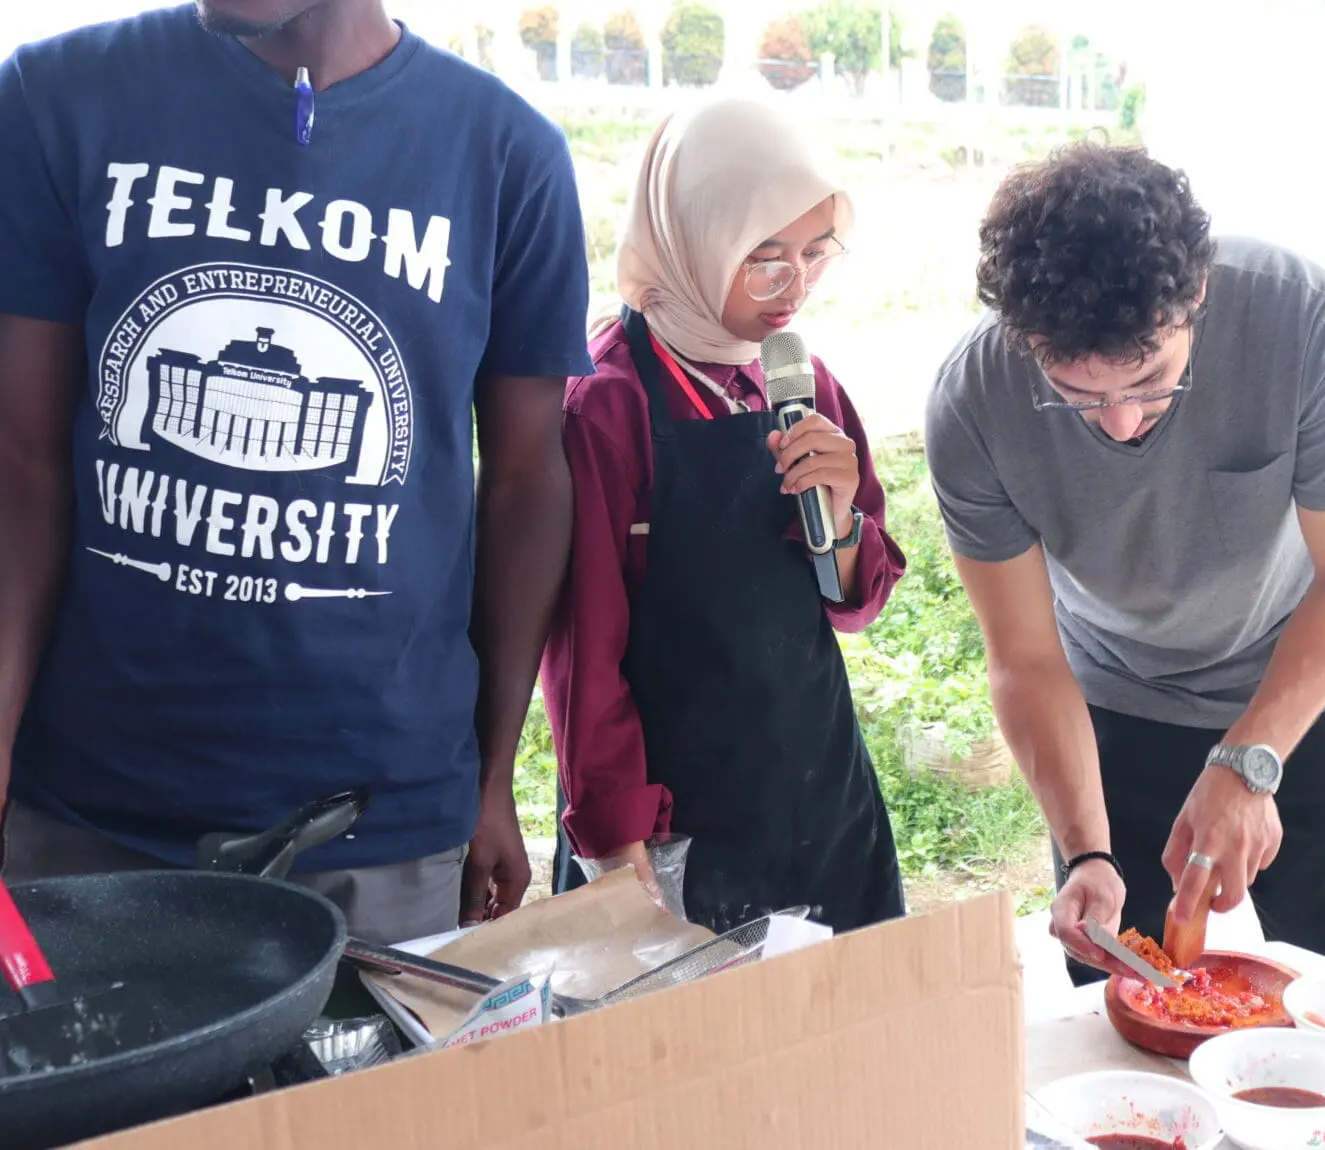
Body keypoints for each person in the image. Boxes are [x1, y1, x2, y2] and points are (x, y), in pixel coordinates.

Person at [0, 0, 592, 944]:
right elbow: (21, 468)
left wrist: (489, 779)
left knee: (357, 1097)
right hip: (82, 818)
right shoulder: (56, 98)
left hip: (378, 828)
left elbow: (525, 480)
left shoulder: (503, 155)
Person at [923, 141, 1325, 983]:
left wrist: (1250, 761)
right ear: (1027, 339)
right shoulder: (974, 400)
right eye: (1077, 394)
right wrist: (1083, 855)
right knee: (1117, 1001)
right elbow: (1026, 657)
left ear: (1197, 297)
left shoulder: (1307, 320)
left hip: (1307, 689)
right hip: (1116, 699)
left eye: (1149, 380)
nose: (1118, 422)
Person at [538, 99, 907, 935]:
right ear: (692, 236)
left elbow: (857, 605)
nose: (796, 288)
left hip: (820, 787)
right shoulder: (609, 402)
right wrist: (617, 842)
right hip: (675, 821)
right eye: (766, 259)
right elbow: (583, 651)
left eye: (816, 255)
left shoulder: (803, 382)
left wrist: (844, 523)